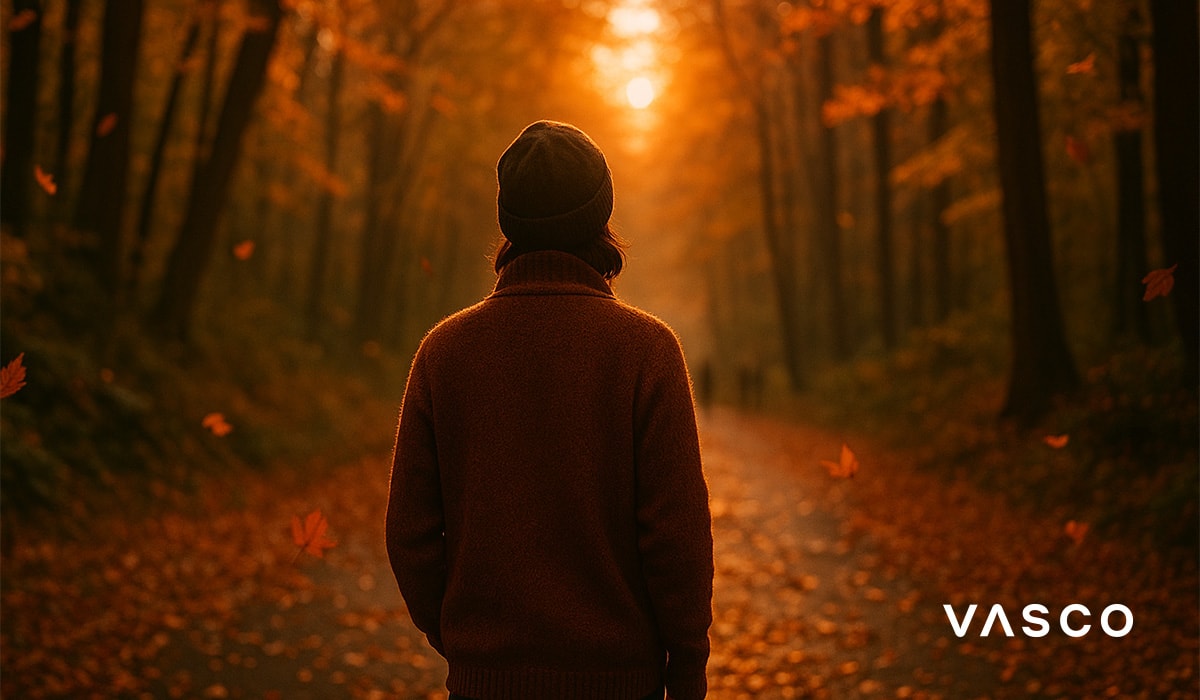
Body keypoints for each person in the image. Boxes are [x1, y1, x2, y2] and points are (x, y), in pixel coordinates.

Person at [386, 120, 714, 700]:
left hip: (483, 684)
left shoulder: (445, 352)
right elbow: (677, 539)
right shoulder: (646, 350)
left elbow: (410, 534)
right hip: (621, 685)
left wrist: (470, 643)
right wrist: (685, 673)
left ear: (507, 221)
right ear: (600, 219)